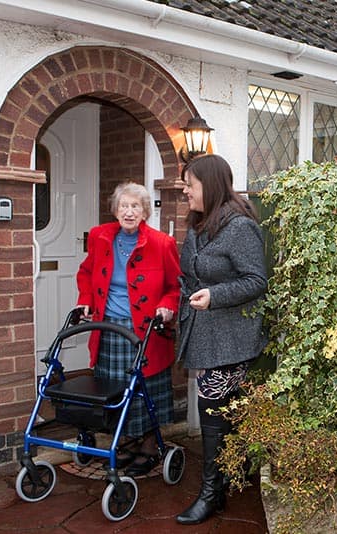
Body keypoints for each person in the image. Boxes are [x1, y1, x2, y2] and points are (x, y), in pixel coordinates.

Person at [175, 154, 268, 525]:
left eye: (189, 184)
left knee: (212, 406)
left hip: (232, 336)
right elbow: (190, 273)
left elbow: (256, 281)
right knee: (223, 409)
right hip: (203, 331)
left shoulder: (240, 226)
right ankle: (229, 478)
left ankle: (212, 493)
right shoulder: (198, 225)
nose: (184, 191)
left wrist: (215, 295)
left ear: (209, 185)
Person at [76, 181, 181, 476]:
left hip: (146, 333)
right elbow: (85, 273)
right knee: (116, 390)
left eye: (135, 206)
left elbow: (175, 287)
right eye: (124, 206)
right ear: (116, 210)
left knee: (145, 389)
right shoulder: (100, 237)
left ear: (145, 211)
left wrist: (167, 306)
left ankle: (148, 446)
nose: (129, 212)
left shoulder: (162, 244)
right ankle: (127, 443)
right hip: (108, 329)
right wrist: (85, 300)